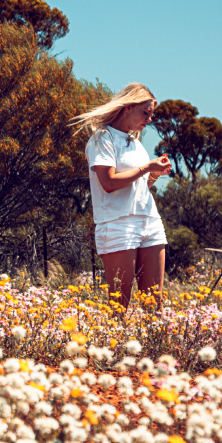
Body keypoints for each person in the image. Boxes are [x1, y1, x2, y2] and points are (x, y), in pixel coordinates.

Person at [71, 83, 172, 311]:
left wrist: (154, 174)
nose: (149, 119)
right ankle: (116, 346)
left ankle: (153, 347)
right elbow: (108, 183)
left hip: (149, 221)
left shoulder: (136, 142)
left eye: (151, 114)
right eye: (145, 112)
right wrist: (147, 168)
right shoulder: (102, 139)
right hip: (117, 224)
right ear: (128, 107)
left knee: (154, 304)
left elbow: (139, 186)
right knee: (119, 305)